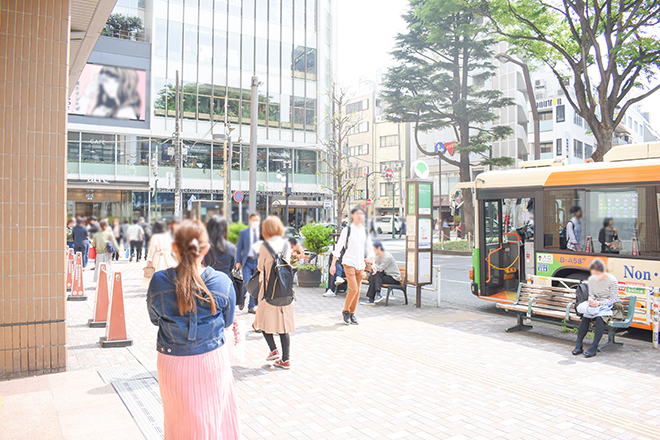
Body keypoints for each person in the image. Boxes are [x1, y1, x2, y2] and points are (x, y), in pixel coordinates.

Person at [147, 220, 240, 438]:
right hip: (211, 360)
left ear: (174, 248)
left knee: (178, 421)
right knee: (215, 419)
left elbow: (154, 319)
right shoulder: (222, 281)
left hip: (172, 362)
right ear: (206, 249)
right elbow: (227, 322)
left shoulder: (159, 281)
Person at [254, 216, 295, 369]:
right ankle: (286, 359)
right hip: (285, 290)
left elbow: (260, 267)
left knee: (263, 322)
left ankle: (273, 349)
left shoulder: (265, 246)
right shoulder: (286, 244)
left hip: (268, 291)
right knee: (283, 326)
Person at [330, 207, 375, 325]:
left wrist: (373, 263)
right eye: (357, 214)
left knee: (358, 290)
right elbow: (338, 247)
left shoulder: (365, 231)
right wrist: (333, 264)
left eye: (361, 214)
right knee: (353, 288)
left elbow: (369, 248)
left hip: (360, 264)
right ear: (352, 216)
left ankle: (352, 313)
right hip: (349, 263)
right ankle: (345, 311)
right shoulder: (347, 230)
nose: (360, 216)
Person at [573, 259, 620, 358]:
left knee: (599, 318)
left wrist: (599, 303)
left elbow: (614, 299)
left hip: (609, 306)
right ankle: (578, 344)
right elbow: (591, 295)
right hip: (595, 305)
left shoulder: (612, 280)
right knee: (585, 317)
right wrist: (591, 302)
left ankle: (594, 347)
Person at [237, 213, 261, 314]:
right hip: (247, 262)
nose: (255, 222)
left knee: (255, 285)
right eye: (254, 220)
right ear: (250, 221)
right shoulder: (244, 232)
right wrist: (238, 261)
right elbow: (239, 248)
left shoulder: (262, 233)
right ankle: (241, 298)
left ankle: (251, 306)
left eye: (257, 220)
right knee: (247, 283)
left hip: (258, 261)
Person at [142, 221, 178, 288]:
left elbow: (152, 249)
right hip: (167, 256)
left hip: (158, 257)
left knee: (157, 273)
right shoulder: (167, 235)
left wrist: (149, 259)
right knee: (168, 272)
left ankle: (158, 287)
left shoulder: (155, 237)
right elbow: (171, 247)